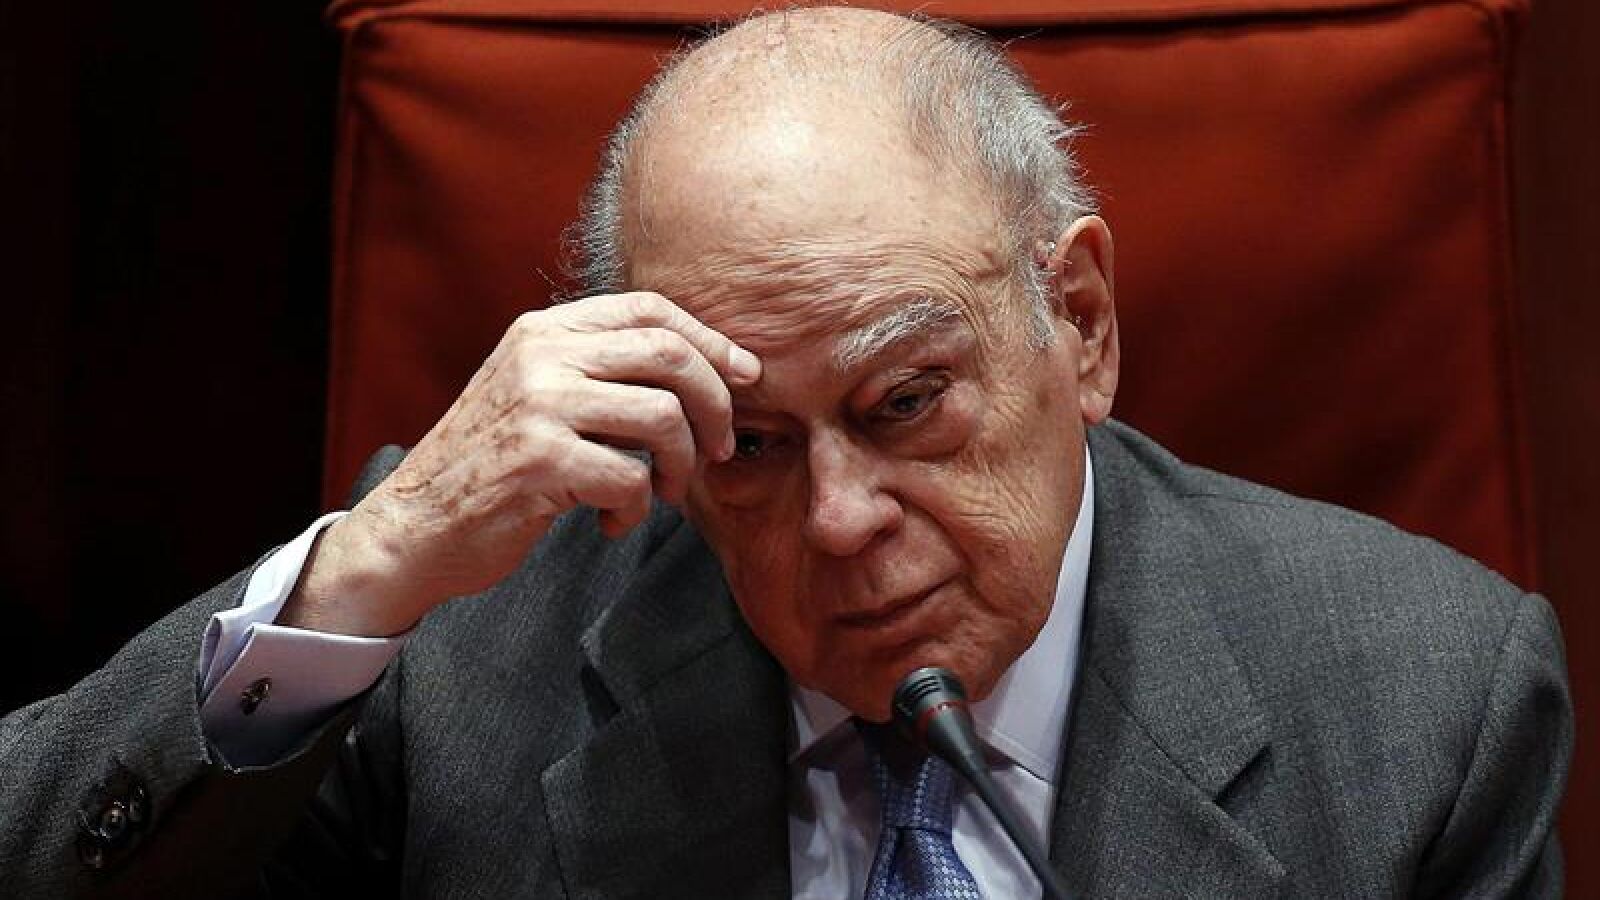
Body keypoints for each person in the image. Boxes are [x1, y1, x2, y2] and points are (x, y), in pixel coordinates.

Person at [0, 7, 1572, 898]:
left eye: (906, 402)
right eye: (746, 442)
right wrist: (368, 565)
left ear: (1081, 324)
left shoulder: (1427, 703)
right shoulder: (463, 658)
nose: (836, 521)